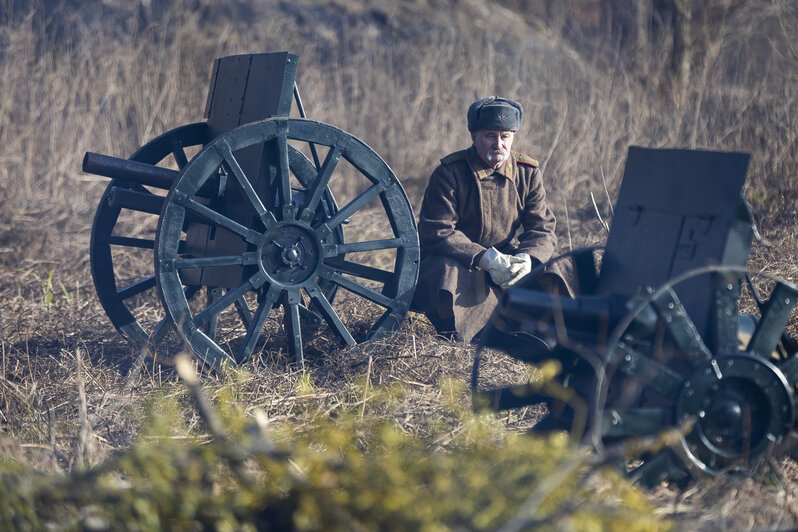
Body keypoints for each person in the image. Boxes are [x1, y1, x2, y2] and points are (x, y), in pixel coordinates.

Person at [413, 96, 570, 342]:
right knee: (446, 273)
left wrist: (526, 259)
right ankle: (458, 331)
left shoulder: (528, 172)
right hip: (462, 259)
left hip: (508, 260)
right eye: (490, 136)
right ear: (473, 137)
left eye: (505, 136)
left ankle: (546, 329)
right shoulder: (449, 172)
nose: (499, 144)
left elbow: (543, 228)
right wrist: (484, 258)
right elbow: (437, 230)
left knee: (559, 268)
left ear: (513, 137)